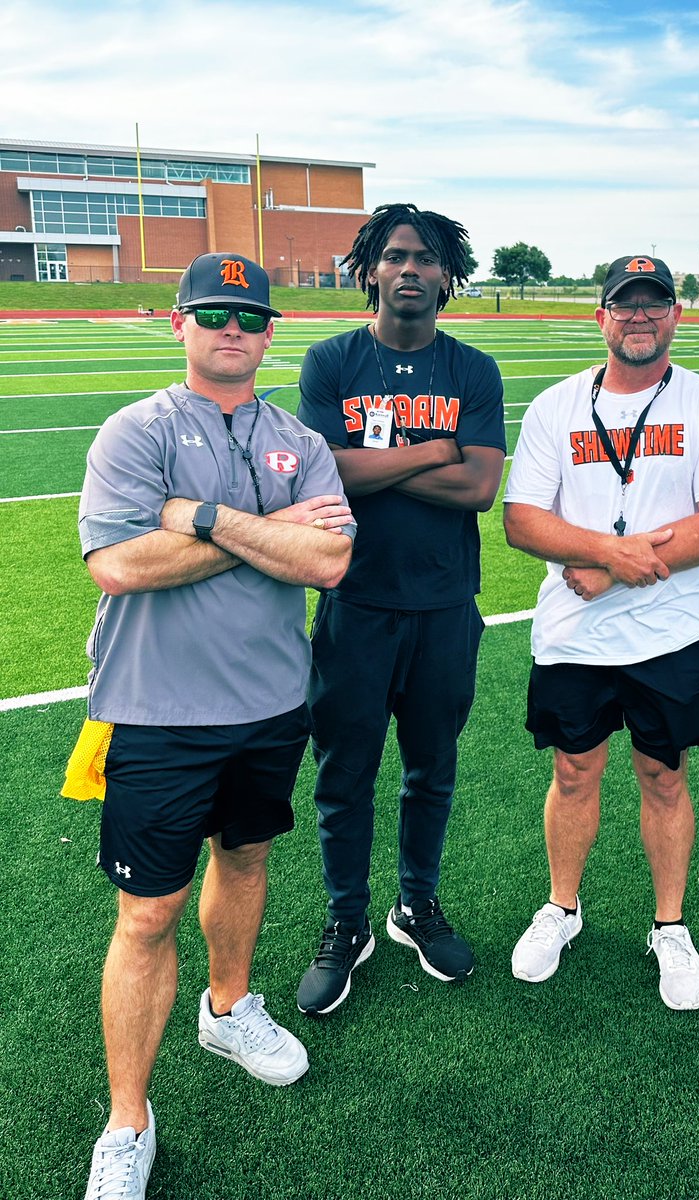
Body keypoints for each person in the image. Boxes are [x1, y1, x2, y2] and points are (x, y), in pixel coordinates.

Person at [74, 252, 356, 1200]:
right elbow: (118, 566)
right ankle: (127, 1120)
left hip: (271, 704)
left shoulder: (297, 437)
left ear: (270, 330)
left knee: (246, 860)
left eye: (249, 313)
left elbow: (327, 565)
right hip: (155, 709)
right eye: (212, 312)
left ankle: (228, 1008)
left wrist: (200, 516)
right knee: (147, 912)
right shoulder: (134, 430)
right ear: (180, 324)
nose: (231, 327)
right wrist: (268, 528)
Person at [503, 255, 699, 1010]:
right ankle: (561, 907)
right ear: (600, 315)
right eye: (624, 304)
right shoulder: (556, 406)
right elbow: (521, 520)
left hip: (668, 633)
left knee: (663, 776)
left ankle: (668, 925)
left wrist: (609, 566)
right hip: (572, 637)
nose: (638, 316)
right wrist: (606, 551)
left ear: (673, 314)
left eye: (654, 304)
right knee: (573, 774)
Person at [294, 203, 505, 1013]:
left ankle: (415, 904)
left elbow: (480, 489)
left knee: (430, 770)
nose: (409, 268)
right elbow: (320, 475)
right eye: (394, 256)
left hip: (445, 606)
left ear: (447, 276)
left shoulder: (471, 371)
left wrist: (370, 464)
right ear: (369, 271)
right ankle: (347, 922)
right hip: (354, 602)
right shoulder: (332, 361)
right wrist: (431, 451)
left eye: (424, 257)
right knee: (343, 776)